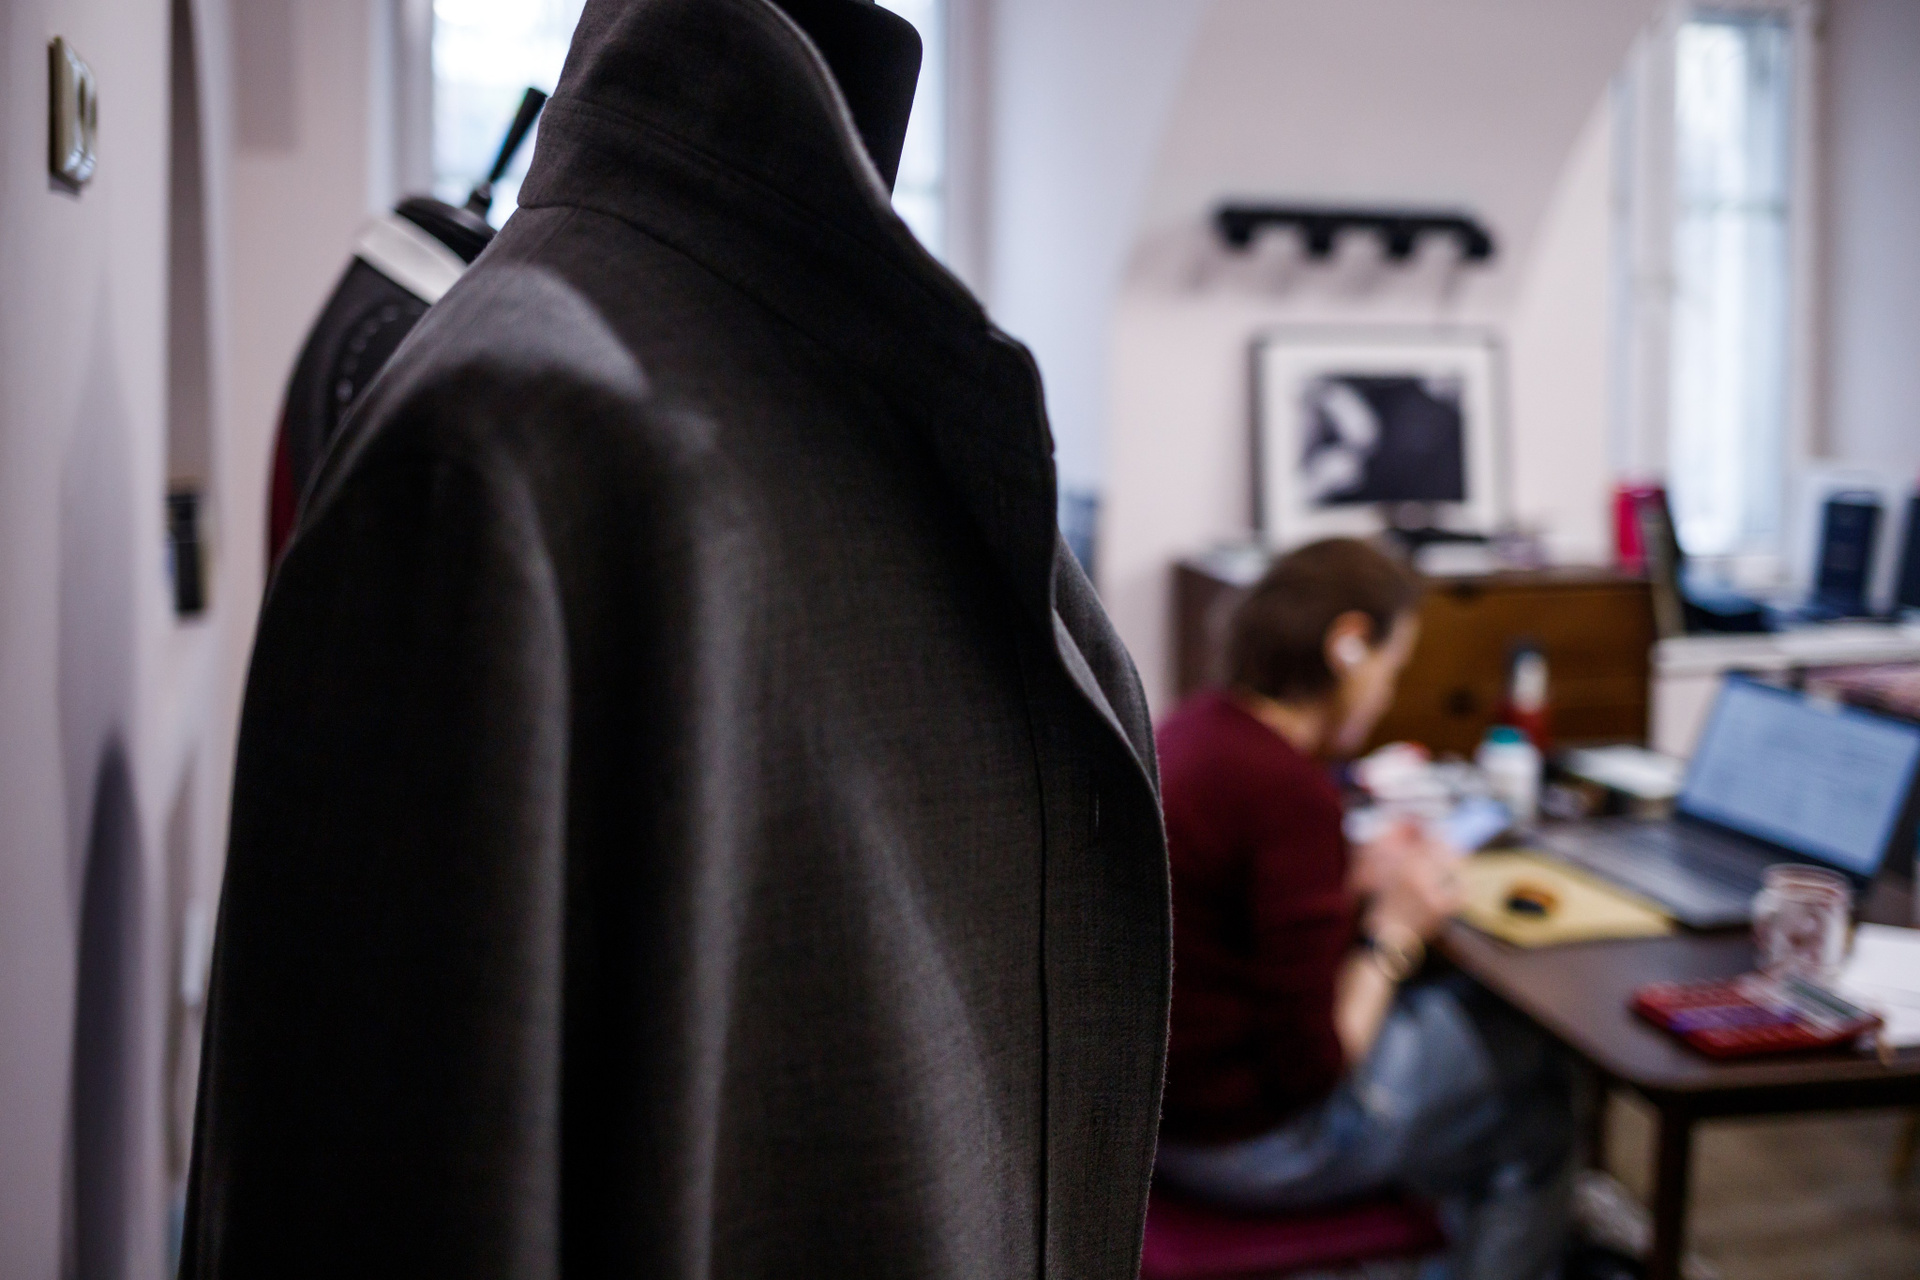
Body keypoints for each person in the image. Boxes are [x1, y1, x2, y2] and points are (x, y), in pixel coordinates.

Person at [1154, 538, 1576, 1280]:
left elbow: (1239, 925)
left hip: (1163, 1120)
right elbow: (1317, 1066)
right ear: (1348, 644)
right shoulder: (1285, 791)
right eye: (1391, 666)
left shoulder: (1196, 729)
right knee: (1536, 1074)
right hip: (1249, 1145)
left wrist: (1343, 881)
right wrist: (1393, 931)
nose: (1385, 695)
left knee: (1463, 1023)